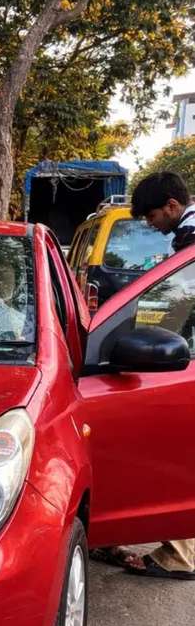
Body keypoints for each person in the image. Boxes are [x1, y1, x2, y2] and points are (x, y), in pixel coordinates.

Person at [94, 172, 195, 579]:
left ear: (172, 205)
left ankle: (181, 551)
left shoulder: (191, 241)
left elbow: (182, 306)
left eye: (152, 216)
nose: (151, 225)